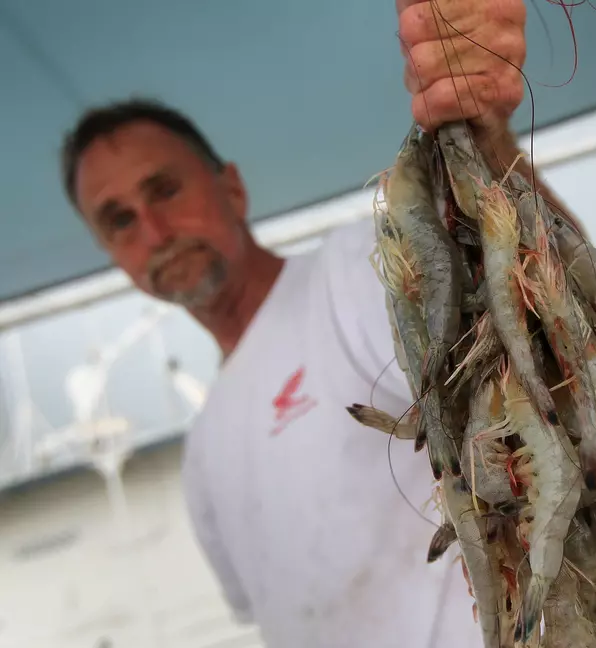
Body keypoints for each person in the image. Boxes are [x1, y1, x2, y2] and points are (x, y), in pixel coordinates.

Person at [59, 1, 570, 645]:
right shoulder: (202, 458)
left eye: (164, 189)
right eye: (120, 220)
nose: (154, 231)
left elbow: (552, 310)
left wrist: (485, 129)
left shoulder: (355, 271)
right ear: (112, 253)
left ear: (233, 189)